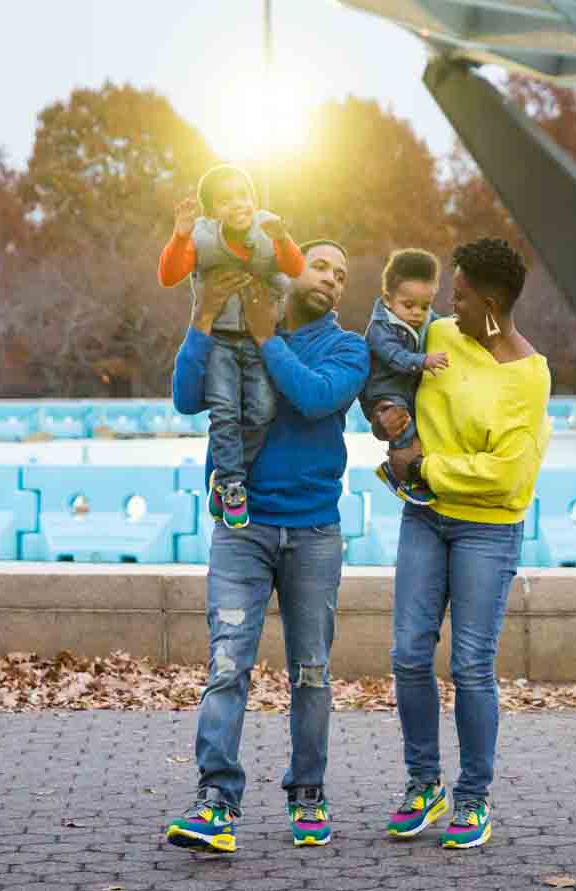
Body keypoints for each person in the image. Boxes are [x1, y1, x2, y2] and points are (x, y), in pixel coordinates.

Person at [163, 239, 369, 853]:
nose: (333, 278)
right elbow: (184, 397)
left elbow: (313, 398)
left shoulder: (347, 348)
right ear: (290, 266)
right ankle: (216, 803)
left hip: (312, 533)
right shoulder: (238, 326)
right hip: (241, 528)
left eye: (343, 273)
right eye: (323, 265)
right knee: (227, 666)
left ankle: (308, 794)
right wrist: (203, 320)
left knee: (311, 673)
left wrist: (267, 340)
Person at [371, 237, 551, 849]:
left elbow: (508, 473)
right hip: (425, 518)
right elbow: (390, 371)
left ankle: (473, 799)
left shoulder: (528, 374)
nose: (450, 306)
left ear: (493, 303)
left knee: (472, 666)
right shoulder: (441, 336)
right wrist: (385, 417)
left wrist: (427, 469)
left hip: (487, 528)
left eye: (463, 296)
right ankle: (424, 784)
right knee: (407, 654)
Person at [158, 164, 304, 529]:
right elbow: (168, 276)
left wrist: (283, 239)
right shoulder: (203, 238)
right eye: (225, 200)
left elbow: (295, 267)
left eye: (243, 195)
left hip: (257, 341)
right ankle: (232, 485)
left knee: (262, 409)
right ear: (212, 212)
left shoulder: (267, 228)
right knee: (224, 410)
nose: (238, 204)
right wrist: (179, 236)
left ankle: (224, 478)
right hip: (220, 340)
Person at [360, 248, 449, 505]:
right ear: (388, 299)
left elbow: (440, 323)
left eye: (425, 306)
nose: (417, 313)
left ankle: (413, 469)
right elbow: (395, 357)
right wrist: (423, 361)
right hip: (384, 391)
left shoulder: (425, 318)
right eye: (408, 305)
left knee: (423, 431)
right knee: (402, 429)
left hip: (408, 388)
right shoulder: (379, 327)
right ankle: (397, 472)